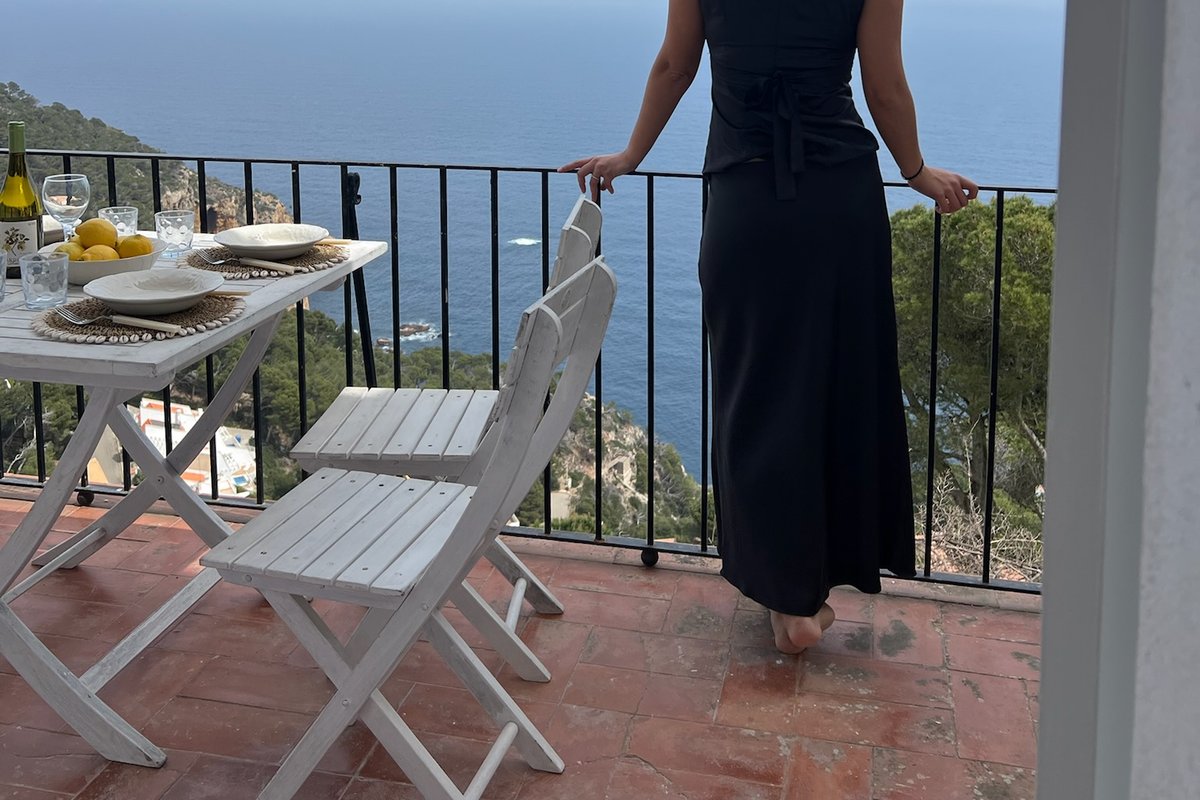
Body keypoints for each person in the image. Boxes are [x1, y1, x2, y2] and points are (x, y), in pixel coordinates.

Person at [561, 0, 979, 654]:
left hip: (744, 196)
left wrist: (630, 155)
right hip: (840, 199)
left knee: (754, 393)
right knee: (836, 384)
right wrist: (918, 172)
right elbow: (885, 86)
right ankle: (808, 592)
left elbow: (675, 64)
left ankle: (790, 596)